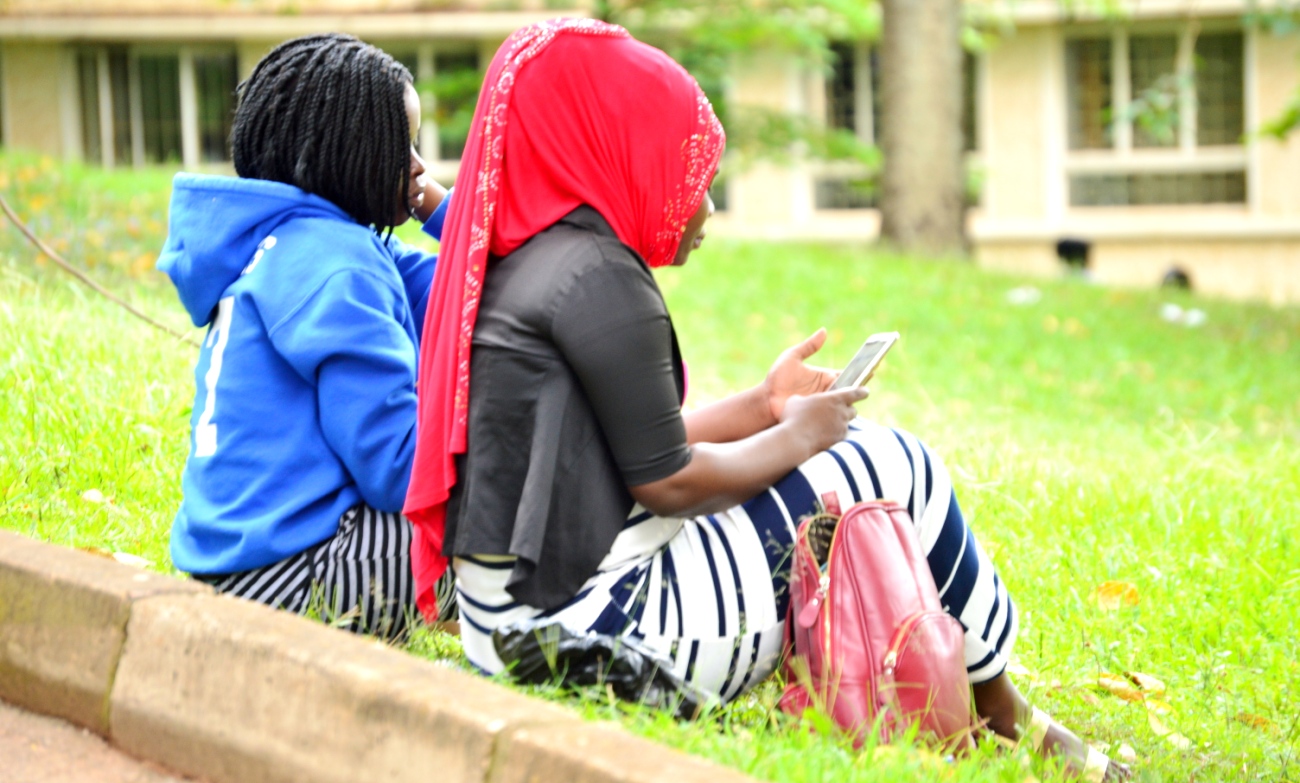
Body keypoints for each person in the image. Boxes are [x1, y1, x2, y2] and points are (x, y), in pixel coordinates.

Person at [405, 19, 1128, 781]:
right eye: (689, 171)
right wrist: (803, 435)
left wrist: (763, 403)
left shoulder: (524, 258)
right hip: (592, 643)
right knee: (895, 462)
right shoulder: (599, 280)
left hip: (509, 627)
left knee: (855, 458)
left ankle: (991, 702)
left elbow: (623, 446)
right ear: (619, 150)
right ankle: (1006, 714)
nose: (706, 206)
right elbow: (668, 480)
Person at [159, 33, 456, 639]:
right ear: (346, 148)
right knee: (504, 527)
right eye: (401, 147)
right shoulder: (340, 266)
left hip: (231, 569)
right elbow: (398, 471)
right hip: (291, 581)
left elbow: (475, 276)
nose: (421, 166)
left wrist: (427, 201)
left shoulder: (293, 242)